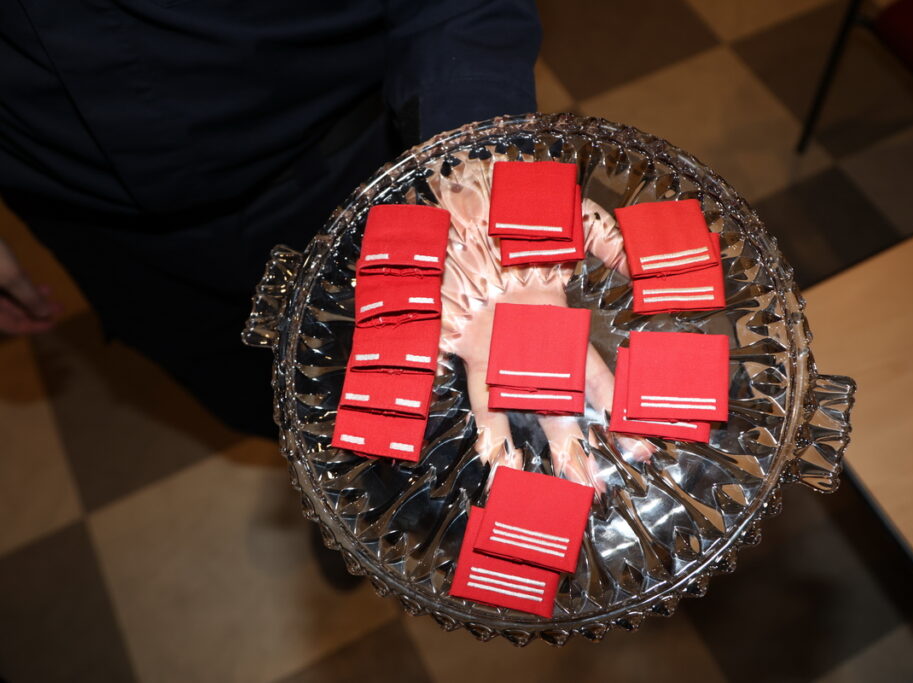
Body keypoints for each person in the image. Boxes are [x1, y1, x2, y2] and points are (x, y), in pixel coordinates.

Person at [0, 0, 541, 438]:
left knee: (447, 403)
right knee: (258, 404)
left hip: (346, 161)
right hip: (99, 226)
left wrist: (477, 189)